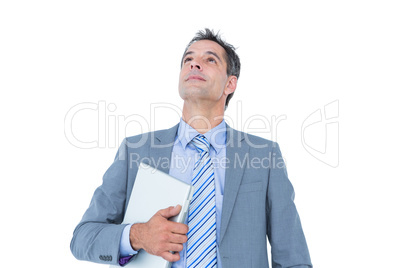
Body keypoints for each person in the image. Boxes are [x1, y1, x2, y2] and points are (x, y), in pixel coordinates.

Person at [70, 28, 313, 268]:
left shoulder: (264, 156)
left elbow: (294, 259)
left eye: (210, 59)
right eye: (188, 59)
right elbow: (82, 238)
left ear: (231, 84)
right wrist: (138, 235)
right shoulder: (136, 151)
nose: (194, 64)